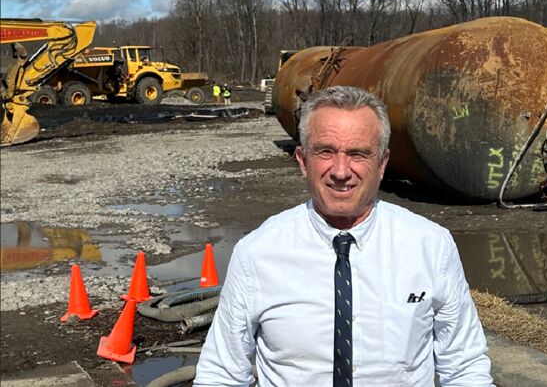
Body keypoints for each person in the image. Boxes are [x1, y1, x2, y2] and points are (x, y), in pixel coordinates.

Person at [195, 86, 493, 386]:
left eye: (358, 153)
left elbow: (465, 368)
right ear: (302, 161)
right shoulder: (257, 253)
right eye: (325, 151)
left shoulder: (430, 247)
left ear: (382, 163)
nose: (340, 171)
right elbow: (220, 374)